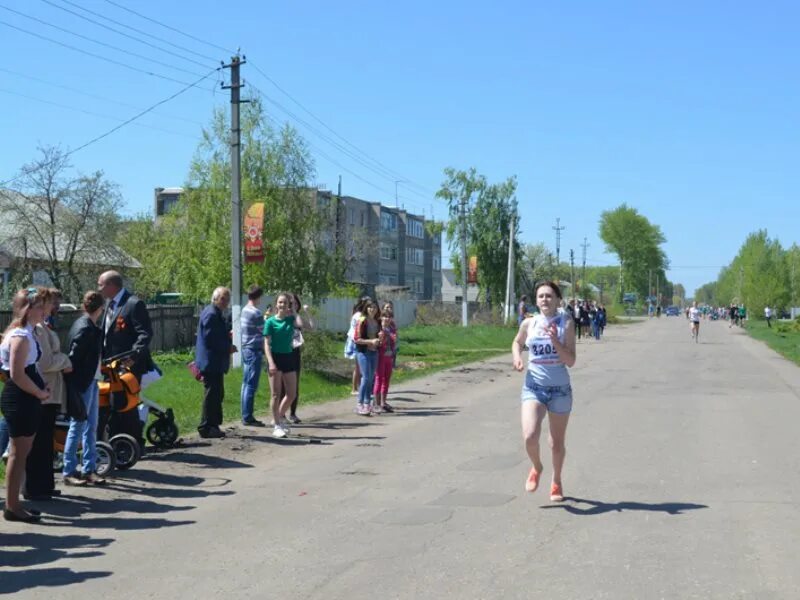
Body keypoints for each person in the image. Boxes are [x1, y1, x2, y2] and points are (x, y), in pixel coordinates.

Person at [512, 281, 576, 503]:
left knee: (556, 443)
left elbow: (571, 361)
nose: (545, 300)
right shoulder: (529, 323)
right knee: (530, 435)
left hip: (560, 391)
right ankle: (537, 466)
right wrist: (517, 356)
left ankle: (556, 480)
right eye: (540, 296)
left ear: (558, 299)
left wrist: (555, 341)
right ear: (536, 300)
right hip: (534, 388)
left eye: (549, 296)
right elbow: (517, 342)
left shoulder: (565, 323)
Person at [1, 287, 50, 523]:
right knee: (18, 455)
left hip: (25, 397)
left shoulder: (25, 332)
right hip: (21, 398)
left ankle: (14, 504)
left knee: (20, 454)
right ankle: (12, 506)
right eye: (40, 306)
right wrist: (39, 392)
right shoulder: (20, 336)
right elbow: (17, 374)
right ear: (29, 309)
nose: (44, 310)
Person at [97, 271, 154, 449]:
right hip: (109, 366)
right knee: (113, 404)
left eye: (101, 285)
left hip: (127, 366)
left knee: (126, 405)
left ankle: (133, 444)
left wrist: (133, 357)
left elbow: (144, 334)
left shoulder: (133, 304)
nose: (99, 289)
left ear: (112, 285)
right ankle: (117, 442)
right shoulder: (108, 304)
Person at [27, 289, 72, 499]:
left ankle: (45, 484)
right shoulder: (38, 330)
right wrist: (65, 360)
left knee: (46, 442)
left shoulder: (44, 327)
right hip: (44, 391)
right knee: (40, 443)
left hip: (51, 392)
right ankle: (36, 487)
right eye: (52, 303)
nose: (55, 307)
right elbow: (44, 363)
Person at [63, 291, 105, 486]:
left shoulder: (87, 325)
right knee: (78, 425)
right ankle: (69, 470)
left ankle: (89, 468)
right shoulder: (85, 328)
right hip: (83, 382)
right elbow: (73, 358)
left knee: (91, 426)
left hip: (92, 380)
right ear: (101, 308)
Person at [195, 287, 235, 439]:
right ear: (216, 298)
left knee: (217, 394)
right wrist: (228, 347)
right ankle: (206, 427)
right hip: (210, 362)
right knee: (211, 395)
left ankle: (213, 425)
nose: (226, 302)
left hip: (214, 362)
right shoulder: (211, 314)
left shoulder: (214, 313)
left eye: (227, 299)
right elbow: (210, 340)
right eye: (223, 298)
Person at [264, 292, 305, 438]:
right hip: (274, 358)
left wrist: (294, 310)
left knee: (291, 394)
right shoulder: (270, 322)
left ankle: (279, 417)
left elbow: (301, 325)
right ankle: (276, 425)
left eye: (285, 303)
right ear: (276, 304)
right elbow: (267, 344)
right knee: (275, 394)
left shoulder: (290, 320)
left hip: (288, 357)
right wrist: (271, 363)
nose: (282, 305)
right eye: (280, 302)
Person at [240, 285, 266, 427]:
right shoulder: (256, 313)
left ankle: (245, 413)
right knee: (251, 384)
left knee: (245, 383)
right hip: (254, 350)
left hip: (246, 348)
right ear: (258, 297)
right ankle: (248, 416)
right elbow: (264, 331)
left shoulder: (244, 310)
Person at [286, 293, 313, 424]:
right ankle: (280, 413)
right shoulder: (283, 317)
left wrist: (307, 312)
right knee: (282, 386)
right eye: (291, 303)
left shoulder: (297, 317)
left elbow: (311, 327)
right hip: (284, 352)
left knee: (294, 385)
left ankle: (292, 413)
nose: (293, 306)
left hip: (295, 352)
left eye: (296, 303)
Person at [354, 301, 381, 415]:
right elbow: (357, 339)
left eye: (374, 307)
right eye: (370, 307)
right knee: (365, 377)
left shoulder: (377, 321)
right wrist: (371, 341)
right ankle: (359, 404)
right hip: (363, 352)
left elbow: (379, 337)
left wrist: (380, 340)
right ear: (366, 308)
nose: (372, 309)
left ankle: (367, 404)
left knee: (371, 378)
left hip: (374, 352)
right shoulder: (362, 320)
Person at [372, 312, 397, 414]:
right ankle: (376, 404)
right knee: (379, 379)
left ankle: (383, 402)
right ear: (381, 318)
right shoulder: (378, 329)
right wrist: (381, 338)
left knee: (386, 380)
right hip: (380, 357)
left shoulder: (391, 330)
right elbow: (377, 344)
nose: (387, 319)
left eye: (389, 317)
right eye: (385, 316)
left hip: (389, 357)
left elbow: (394, 344)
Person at [344, 297, 368, 395]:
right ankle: (354, 388)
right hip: (356, 341)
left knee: (358, 366)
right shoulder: (361, 316)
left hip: (352, 340)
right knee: (358, 367)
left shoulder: (356, 314)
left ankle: (358, 387)